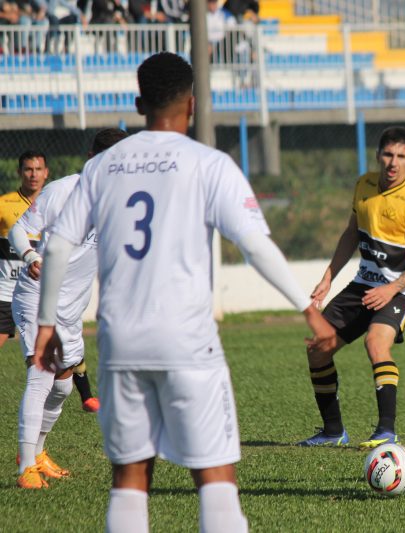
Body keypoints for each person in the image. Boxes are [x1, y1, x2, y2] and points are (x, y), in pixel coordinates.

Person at [32, 52, 336, 532]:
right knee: (215, 477)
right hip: (187, 341)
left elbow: (59, 245)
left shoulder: (102, 168)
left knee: (130, 476)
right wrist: (307, 309)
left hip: (120, 344)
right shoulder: (208, 164)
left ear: (138, 103)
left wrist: (46, 324)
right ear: (192, 105)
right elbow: (255, 246)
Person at [298, 126, 405, 449]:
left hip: (398, 291)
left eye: (401, 156)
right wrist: (329, 277)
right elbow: (350, 233)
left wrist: (392, 290)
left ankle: (386, 431)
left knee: (376, 343)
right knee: (318, 348)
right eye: (388, 154)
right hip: (362, 284)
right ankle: (333, 432)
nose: (393, 162)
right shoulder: (364, 184)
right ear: (378, 156)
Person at [13, 128, 128, 490]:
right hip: (36, 295)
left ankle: (39, 453)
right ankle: (25, 467)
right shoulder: (62, 190)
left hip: (71, 309)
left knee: (63, 387)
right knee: (42, 374)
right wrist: (30, 255)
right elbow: (20, 229)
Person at [0, 151, 48, 352]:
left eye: (38, 169)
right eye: (28, 169)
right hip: (6, 291)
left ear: (46, 173)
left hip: (41, 292)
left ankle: (85, 385)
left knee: (61, 355)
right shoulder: (4, 205)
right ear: (19, 172)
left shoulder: (55, 204)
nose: (33, 175)